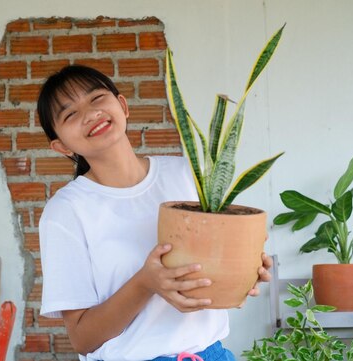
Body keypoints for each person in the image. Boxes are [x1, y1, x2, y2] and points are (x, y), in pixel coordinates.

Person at [36, 65, 272, 361]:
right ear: (60, 146)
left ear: (122, 105)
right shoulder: (66, 211)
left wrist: (246, 269)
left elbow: (216, 268)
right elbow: (83, 338)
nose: (90, 114)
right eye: (70, 114)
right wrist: (146, 282)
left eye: (96, 98)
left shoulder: (187, 174)